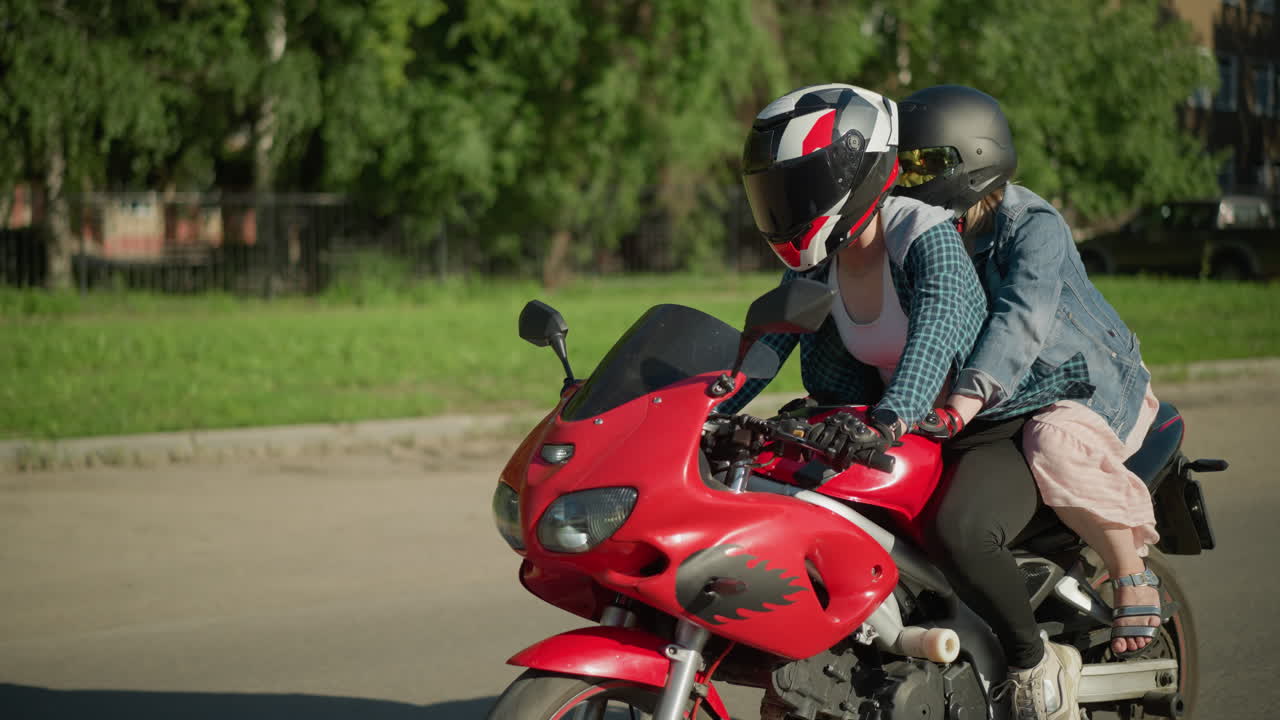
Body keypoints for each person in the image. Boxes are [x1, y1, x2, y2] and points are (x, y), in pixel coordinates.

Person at [724, 83, 1086, 720]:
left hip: (986, 421)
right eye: (776, 193)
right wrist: (708, 403)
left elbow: (937, 330)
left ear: (853, 176)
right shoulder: (819, 260)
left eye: (800, 189)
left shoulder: (925, 236)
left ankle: (1034, 664)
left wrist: (893, 416)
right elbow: (768, 340)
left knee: (961, 532)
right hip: (892, 425)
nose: (786, 209)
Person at [896, 85, 1164, 718]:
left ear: (972, 157)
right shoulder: (935, 233)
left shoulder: (1030, 225)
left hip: (1083, 387)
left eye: (922, 164)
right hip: (1003, 400)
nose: (906, 180)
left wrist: (962, 401)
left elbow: (1022, 319)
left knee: (1054, 444)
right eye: (901, 165)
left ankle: (1130, 570)